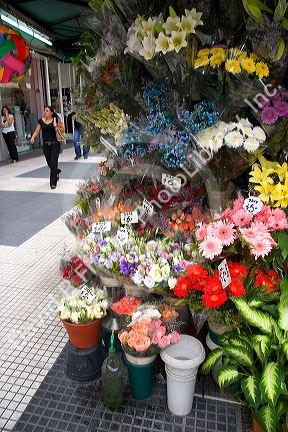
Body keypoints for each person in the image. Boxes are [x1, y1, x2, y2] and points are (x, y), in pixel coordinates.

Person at [30, 106, 65, 189]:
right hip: (46, 145)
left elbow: (63, 130)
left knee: (53, 162)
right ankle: (56, 171)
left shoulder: (56, 120)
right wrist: (33, 137)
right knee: (49, 162)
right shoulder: (40, 121)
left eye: (47, 111)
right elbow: (37, 130)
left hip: (55, 144)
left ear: (51, 113)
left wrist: (56, 126)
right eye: (44, 111)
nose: (45, 112)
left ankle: (53, 183)